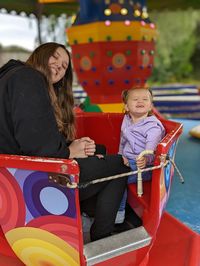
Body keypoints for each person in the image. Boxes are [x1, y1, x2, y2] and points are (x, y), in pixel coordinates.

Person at [0, 42, 130, 241]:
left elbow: (28, 132)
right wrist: (70, 151)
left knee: (99, 149)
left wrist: (75, 146)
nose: (59, 66)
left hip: (12, 175)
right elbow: (40, 149)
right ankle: (102, 235)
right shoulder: (29, 78)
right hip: (35, 179)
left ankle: (83, 215)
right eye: (55, 57)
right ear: (40, 54)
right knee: (119, 164)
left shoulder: (11, 76)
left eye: (64, 66)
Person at [115, 87, 166, 225]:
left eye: (145, 99)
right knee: (109, 167)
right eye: (135, 99)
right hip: (128, 160)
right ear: (126, 106)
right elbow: (123, 141)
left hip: (145, 166)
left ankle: (118, 214)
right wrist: (119, 157)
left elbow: (151, 150)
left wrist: (145, 159)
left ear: (150, 106)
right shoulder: (127, 120)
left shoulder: (153, 126)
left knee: (118, 177)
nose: (140, 101)